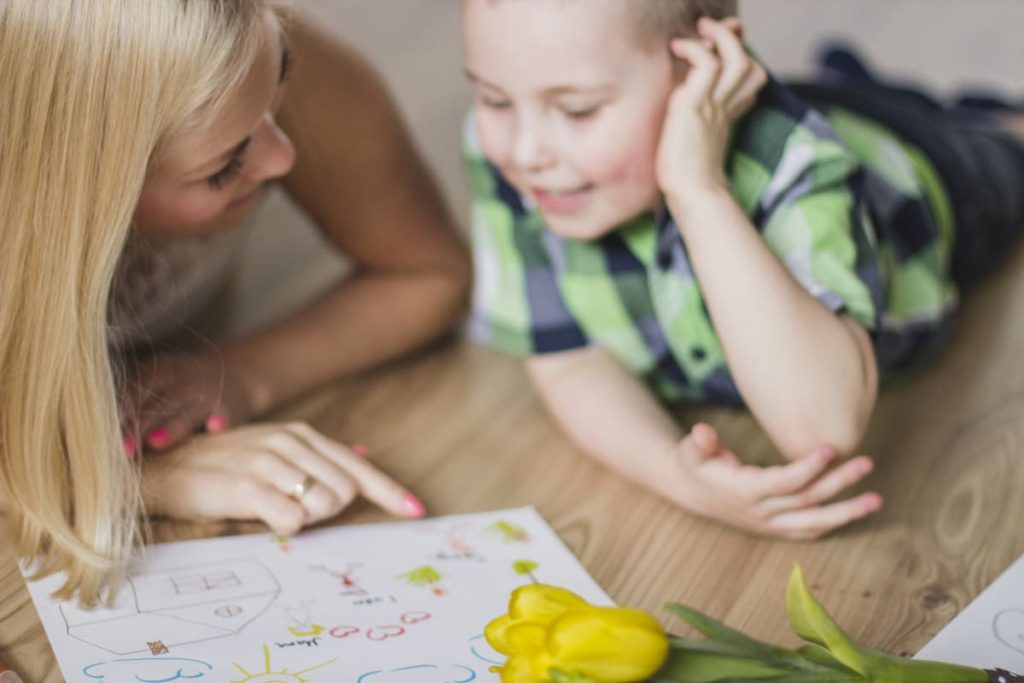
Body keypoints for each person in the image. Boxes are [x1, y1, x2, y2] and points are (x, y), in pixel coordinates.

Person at [461, 0, 1024, 539]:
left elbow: (821, 428)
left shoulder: (795, 162)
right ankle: (855, 84)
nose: (526, 150)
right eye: (493, 99)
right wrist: (675, 474)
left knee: (998, 150)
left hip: (927, 184)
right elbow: (566, 361)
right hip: (811, 110)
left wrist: (697, 190)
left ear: (701, 70)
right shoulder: (513, 160)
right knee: (850, 92)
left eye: (576, 109)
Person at [0, 0, 470, 604]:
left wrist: (243, 376)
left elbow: (428, 273)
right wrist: (139, 480)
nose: (283, 158)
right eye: (224, 167)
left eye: (281, 79)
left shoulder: (248, 43)